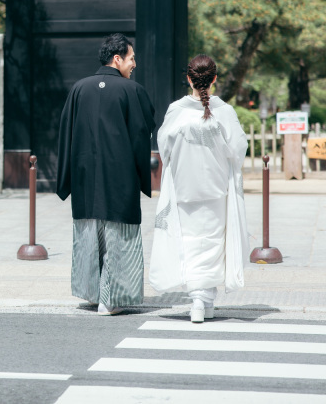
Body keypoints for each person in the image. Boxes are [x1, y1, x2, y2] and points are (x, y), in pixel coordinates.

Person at [56, 33, 156, 315]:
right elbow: (143, 131)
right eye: (131, 58)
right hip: (119, 174)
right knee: (118, 234)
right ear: (118, 59)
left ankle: (90, 293)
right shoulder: (131, 90)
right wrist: (142, 172)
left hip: (85, 174)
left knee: (88, 233)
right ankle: (111, 299)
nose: (134, 63)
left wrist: (67, 176)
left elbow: (65, 132)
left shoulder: (79, 88)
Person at [149, 54, 248, 323]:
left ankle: (200, 301)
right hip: (216, 189)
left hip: (185, 188)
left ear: (189, 79)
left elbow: (164, 148)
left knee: (190, 243)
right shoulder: (224, 111)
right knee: (213, 243)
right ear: (215, 78)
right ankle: (203, 301)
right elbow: (239, 149)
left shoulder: (176, 110)